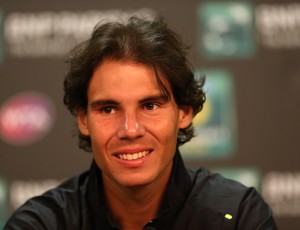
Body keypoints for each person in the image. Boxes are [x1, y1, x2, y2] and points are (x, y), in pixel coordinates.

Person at [4, 16, 277, 230]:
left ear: (184, 112)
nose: (130, 130)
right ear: (83, 118)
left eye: (150, 106)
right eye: (109, 109)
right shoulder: (41, 224)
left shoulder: (238, 216)